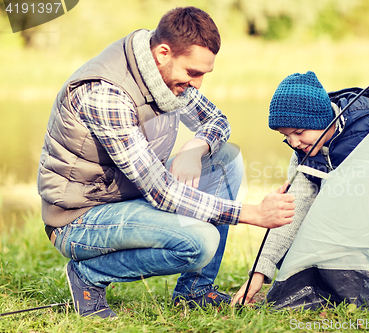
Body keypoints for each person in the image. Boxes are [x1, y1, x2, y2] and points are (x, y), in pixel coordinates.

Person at [37, 6, 295, 318]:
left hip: (129, 197)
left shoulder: (168, 74)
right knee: (201, 242)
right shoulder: (108, 94)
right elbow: (162, 192)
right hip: (79, 219)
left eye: (203, 73)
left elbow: (217, 121)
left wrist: (194, 148)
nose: (197, 84)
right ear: (163, 52)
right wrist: (253, 213)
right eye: (194, 73)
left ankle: (194, 291)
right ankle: (88, 276)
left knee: (226, 160)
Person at [231, 71, 369, 305]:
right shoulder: (303, 156)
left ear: (323, 120)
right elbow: (290, 212)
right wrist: (259, 273)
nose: (294, 143)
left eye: (298, 132)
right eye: (286, 136)